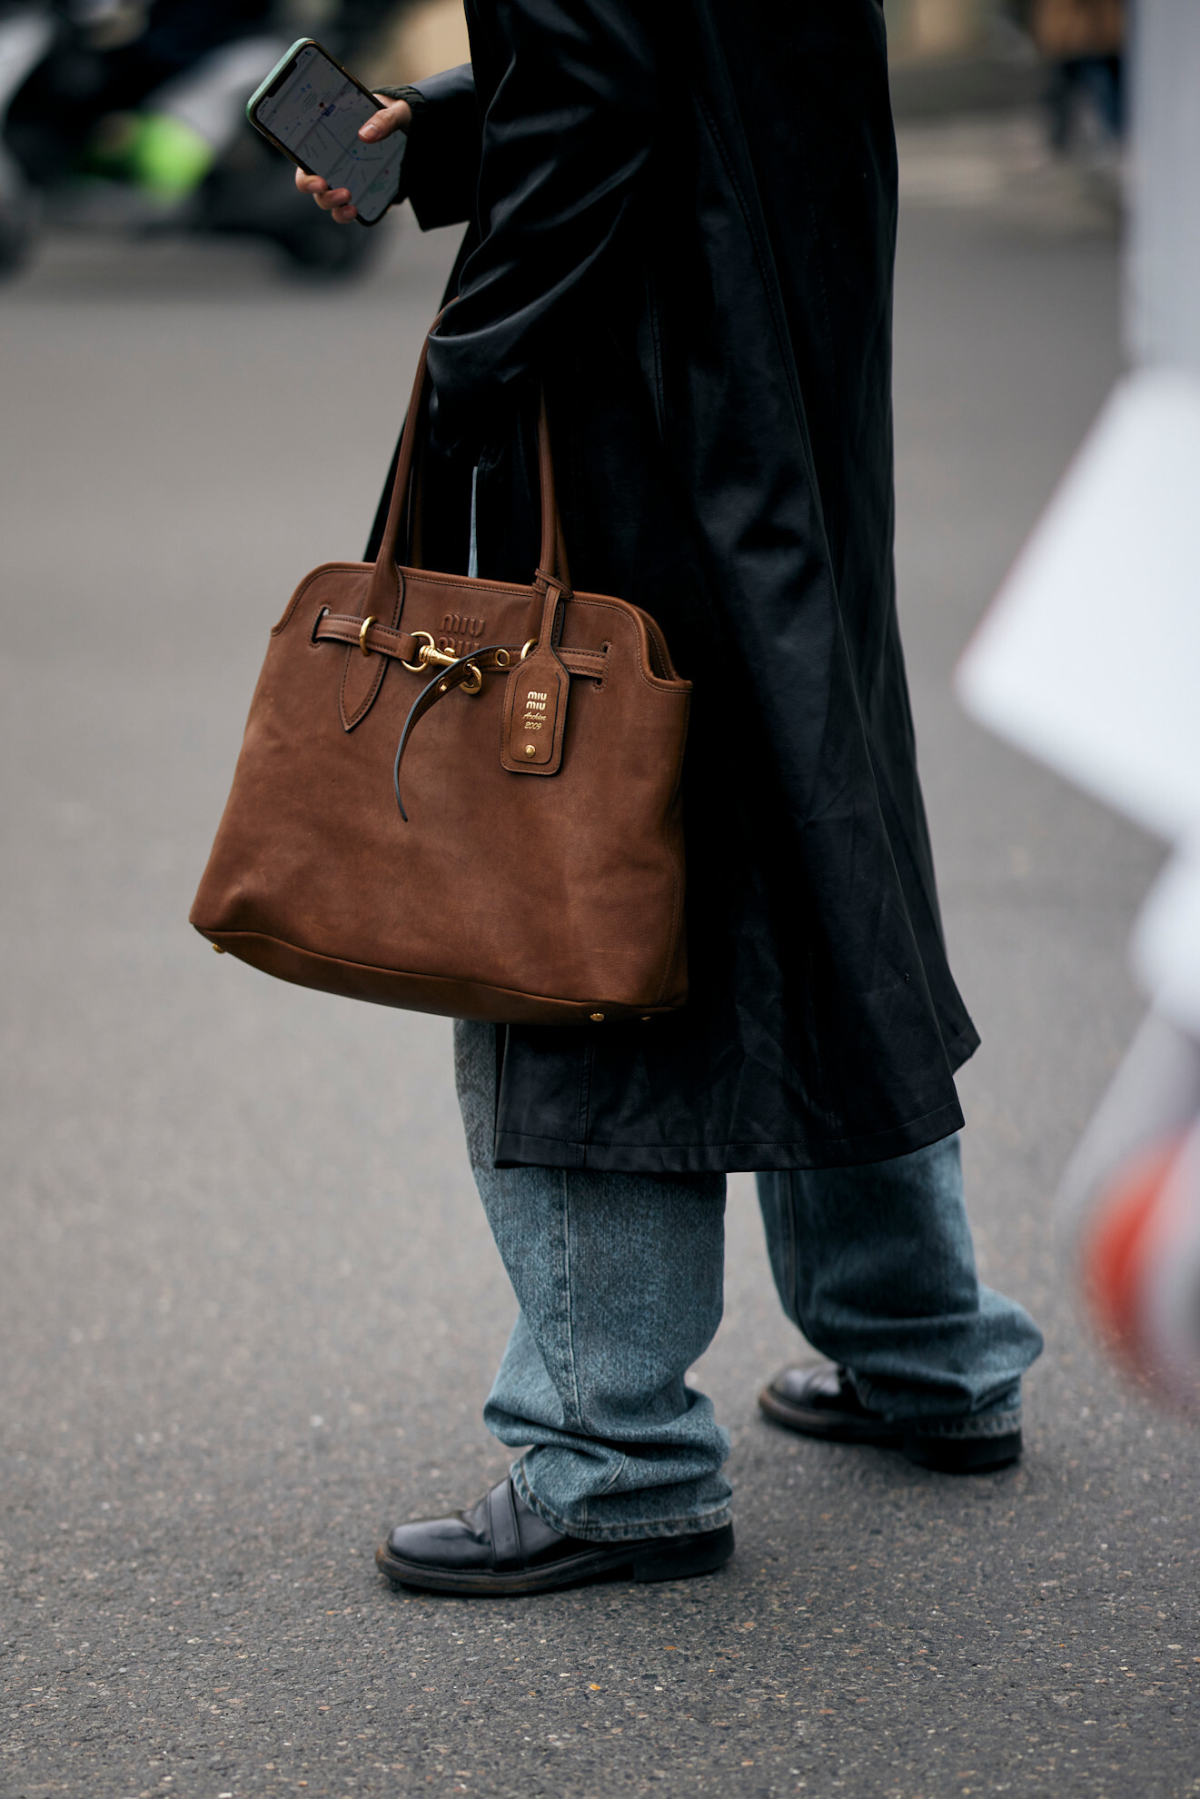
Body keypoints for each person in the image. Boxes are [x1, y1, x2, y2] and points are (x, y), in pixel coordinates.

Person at [298, 0, 1043, 1598]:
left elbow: (599, 73)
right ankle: (929, 1343)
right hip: (793, 358)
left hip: (651, 387)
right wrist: (442, 134)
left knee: (578, 883)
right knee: (812, 833)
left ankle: (612, 1443)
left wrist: (475, 357)